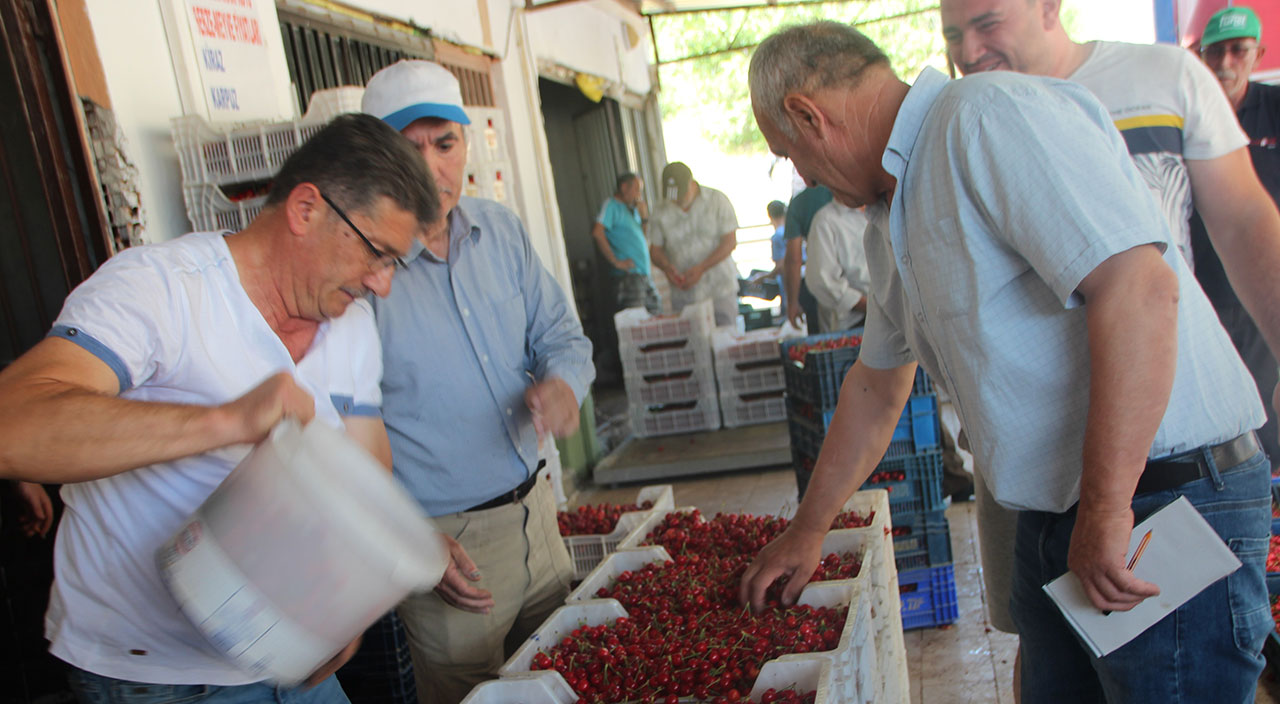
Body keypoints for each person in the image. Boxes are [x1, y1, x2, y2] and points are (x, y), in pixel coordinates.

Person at [741, 22, 1271, 704]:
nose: (803, 177)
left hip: (1158, 501)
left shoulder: (982, 119)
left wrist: (1107, 510)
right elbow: (875, 389)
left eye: (790, 153)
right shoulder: (889, 220)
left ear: (807, 116)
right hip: (1058, 511)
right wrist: (808, 528)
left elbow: (1138, 290)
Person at [0, 113, 440, 703]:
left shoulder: (352, 325)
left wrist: (346, 603)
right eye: (376, 253)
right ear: (306, 209)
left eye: (394, 264)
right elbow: (13, 425)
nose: (382, 284)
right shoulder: (161, 290)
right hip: (157, 675)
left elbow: (366, 472)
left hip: (287, 657)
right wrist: (227, 421)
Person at [939, 0, 1280, 656]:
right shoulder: (968, 118)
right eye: (954, 34)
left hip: (1162, 440)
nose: (970, 50)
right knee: (1048, 651)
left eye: (988, 23)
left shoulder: (1164, 79)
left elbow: (1244, 225)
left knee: (1160, 655)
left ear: (1047, 7)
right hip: (1034, 457)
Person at [360, 59, 595, 704]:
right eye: (409, 150)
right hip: (448, 549)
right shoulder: (364, 276)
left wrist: (563, 384)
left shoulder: (503, 235)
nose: (432, 167)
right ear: (377, 160)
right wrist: (410, 537)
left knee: (565, 676)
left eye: (445, 144)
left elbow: (563, 339)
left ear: (467, 144)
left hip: (537, 516)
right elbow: (339, 431)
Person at [1195, 5, 1280, 472]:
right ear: (1199, 55)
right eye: (1215, 53)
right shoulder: (1184, 117)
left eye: (1237, 51)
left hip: (1264, 288)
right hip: (1205, 291)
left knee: (1269, 421)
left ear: (1257, 53)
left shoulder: (1273, 109)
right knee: (1222, 421)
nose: (1225, 63)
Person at [648, 161, 740, 326]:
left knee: (724, 339)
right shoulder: (660, 210)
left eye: (681, 195)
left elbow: (730, 242)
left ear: (692, 183)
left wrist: (702, 267)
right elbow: (655, 251)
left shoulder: (717, 200)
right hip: (685, 296)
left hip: (719, 289)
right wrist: (666, 267)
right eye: (672, 196)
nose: (676, 200)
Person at [591, 172, 660, 315]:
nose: (638, 195)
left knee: (656, 314)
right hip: (629, 278)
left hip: (643, 274)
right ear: (624, 187)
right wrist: (616, 262)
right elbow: (597, 232)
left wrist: (644, 218)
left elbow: (643, 237)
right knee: (637, 321)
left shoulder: (632, 210)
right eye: (636, 189)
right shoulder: (611, 205)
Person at [803, 200, 869, 333]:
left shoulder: (882, 209)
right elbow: (823, 282)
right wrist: (872, 307)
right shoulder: (826, 220)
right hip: (859, 322)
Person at [782, 185, 832, 333]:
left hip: (827, 289)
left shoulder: (800, 202)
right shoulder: (850, 187)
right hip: (867, 285)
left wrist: (792, 302)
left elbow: (793, 260)